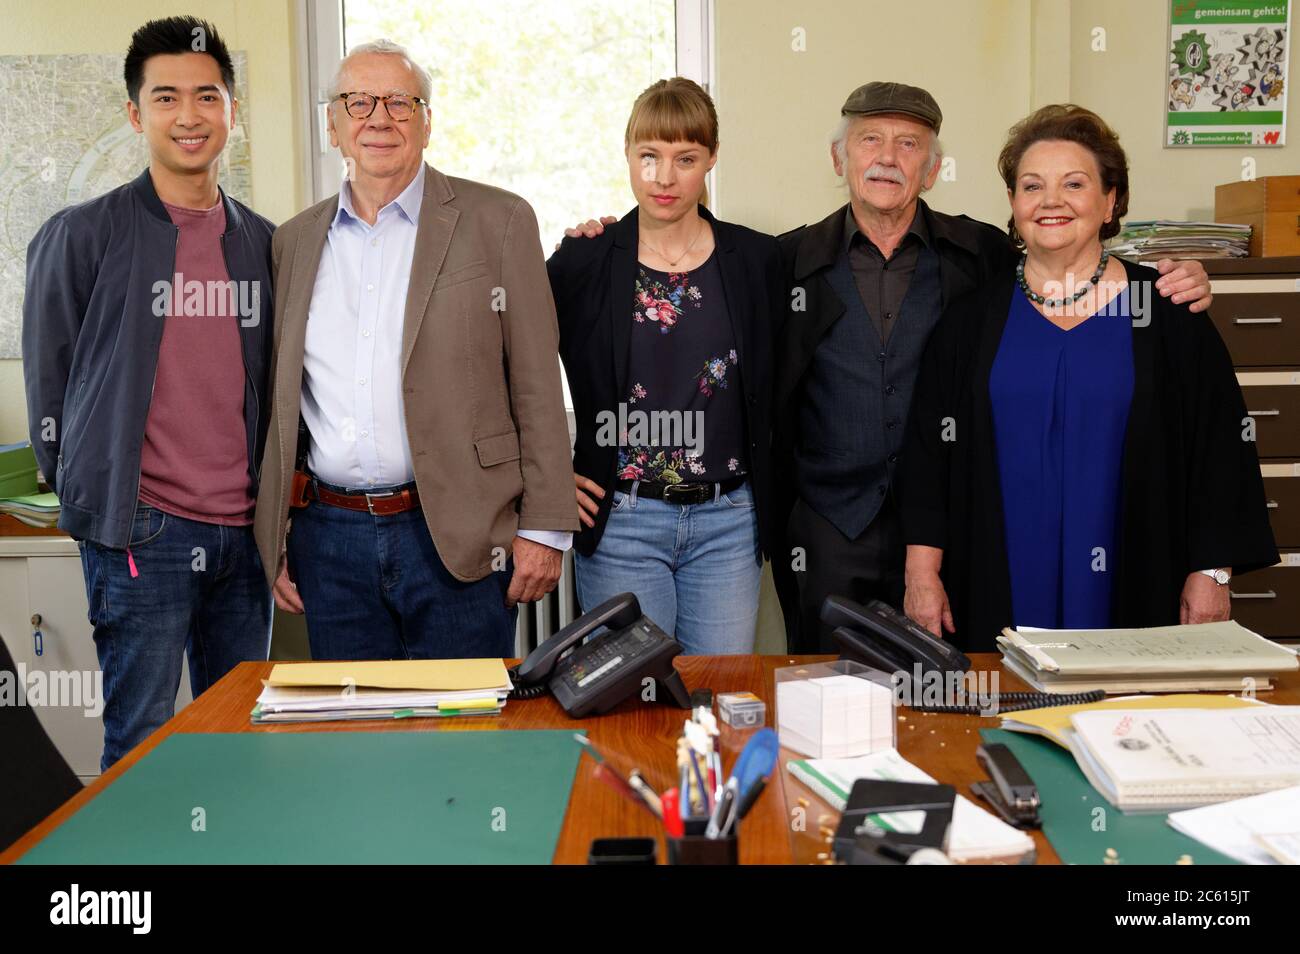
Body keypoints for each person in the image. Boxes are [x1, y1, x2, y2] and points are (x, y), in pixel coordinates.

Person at [769, 82, 1217, 653]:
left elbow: (1212, 444)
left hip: (971, 531)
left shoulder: (980, 255)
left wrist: (1187, 280)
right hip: (834, 527)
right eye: (869, 140)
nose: (887, 158)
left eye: (909, 144)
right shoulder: (784, 263)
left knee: (948, 686)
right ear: (839, 157)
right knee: (833, 686)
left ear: (932, 170)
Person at [898, 104, 1278, 650]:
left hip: (1140, 579)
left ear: (1110, 201)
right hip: (995, 581)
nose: (1050, 201)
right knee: (1007, 701)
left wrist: (1213, 573)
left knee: (1126, 703)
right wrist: (921, 574)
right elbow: (928, 460)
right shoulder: (970, 322)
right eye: (1032, 186)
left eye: (1074, 184)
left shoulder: (1166, 313)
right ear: (1014, 204)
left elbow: (1218, 452)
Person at [254, 40, 577, 660]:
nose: (379, 118)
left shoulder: (499, 220)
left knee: (464, 717)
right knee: (357, 720)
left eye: (400, 102)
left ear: (427, 123)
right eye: (358, 102)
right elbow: (283, 402)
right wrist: (277, 531)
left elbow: (537, 383)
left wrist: (545, 528)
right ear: (333, 126)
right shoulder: (292, 242)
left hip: (459, 528)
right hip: (331, 540)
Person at [22, 17, 274, 769]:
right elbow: (50, 381)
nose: (188, 115)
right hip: (142, 534)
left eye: (207, 96)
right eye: (166, 97)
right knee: (140, 745)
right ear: (136, 114)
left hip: (246, 536)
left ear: (232, 111)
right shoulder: (82, 234)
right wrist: (94, 496)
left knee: (241, 742)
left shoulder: (263, 242)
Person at [547, 78, 782, 653]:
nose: (664, 177)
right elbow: (513, 371)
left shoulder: (758, 260)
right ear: (628, 155)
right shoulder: (584, 260)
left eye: (686, 158)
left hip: (729, 522)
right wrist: (544, 475)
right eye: (649, 156)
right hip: (622, 519)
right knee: (634, 694)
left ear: (712, 158)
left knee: (716, 693)